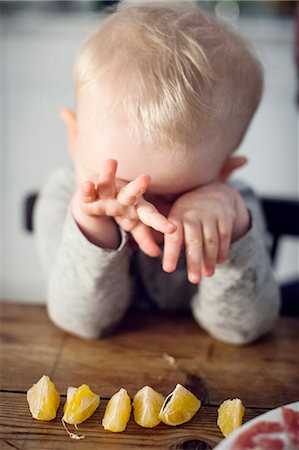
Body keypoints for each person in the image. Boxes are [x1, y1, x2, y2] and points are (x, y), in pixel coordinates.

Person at [34, 1, 280, 344]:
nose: (140, 211)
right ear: (74, 138)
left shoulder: (233, 209)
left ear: (223, 173)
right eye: (116, 187)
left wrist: (231, 236)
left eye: (168, 197)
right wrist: (94, 226)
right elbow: (82, 323)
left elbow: (243, 329)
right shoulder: (64, 196)